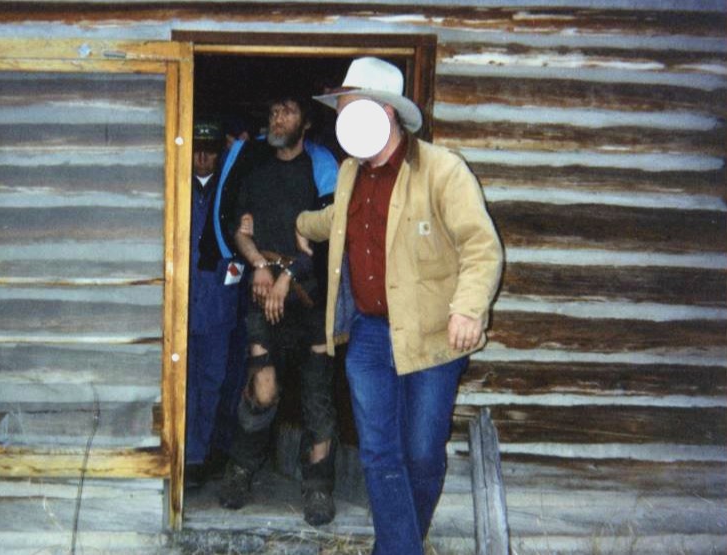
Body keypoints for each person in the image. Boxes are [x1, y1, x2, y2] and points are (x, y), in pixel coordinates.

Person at [295, 57, 503, 554]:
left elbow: (482, 246)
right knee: (379, 454)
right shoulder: (349, 173)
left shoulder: (443, 170)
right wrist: (303, 224)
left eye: (350, 107)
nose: (342, 118)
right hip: (368, 335)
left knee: (424, 455)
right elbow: (335, 221)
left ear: (384, 112)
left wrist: (469, 309)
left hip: (433, 336)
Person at [214, 93, 340, 527]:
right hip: (265, 298)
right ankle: (241, 470)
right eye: (272, 111)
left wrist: (287, 274)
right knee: (262, 390)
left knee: (318, 401)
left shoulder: (322, 173)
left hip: (311, 301)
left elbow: (324, 241)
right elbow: (240, 230)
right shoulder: (257, 171)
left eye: (286, 110)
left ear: (305, 123)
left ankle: (319, 486)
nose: (277, 117)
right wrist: (259, 264)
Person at [186, 120, 240, 488]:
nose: (202, 157)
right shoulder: (177, 188)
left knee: (213, 383)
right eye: (196, 148)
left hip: (219, 310)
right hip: (183, 308)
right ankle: (187, 458)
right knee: (184, 385)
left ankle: (205, 455)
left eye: (210, 149)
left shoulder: (232, 192)